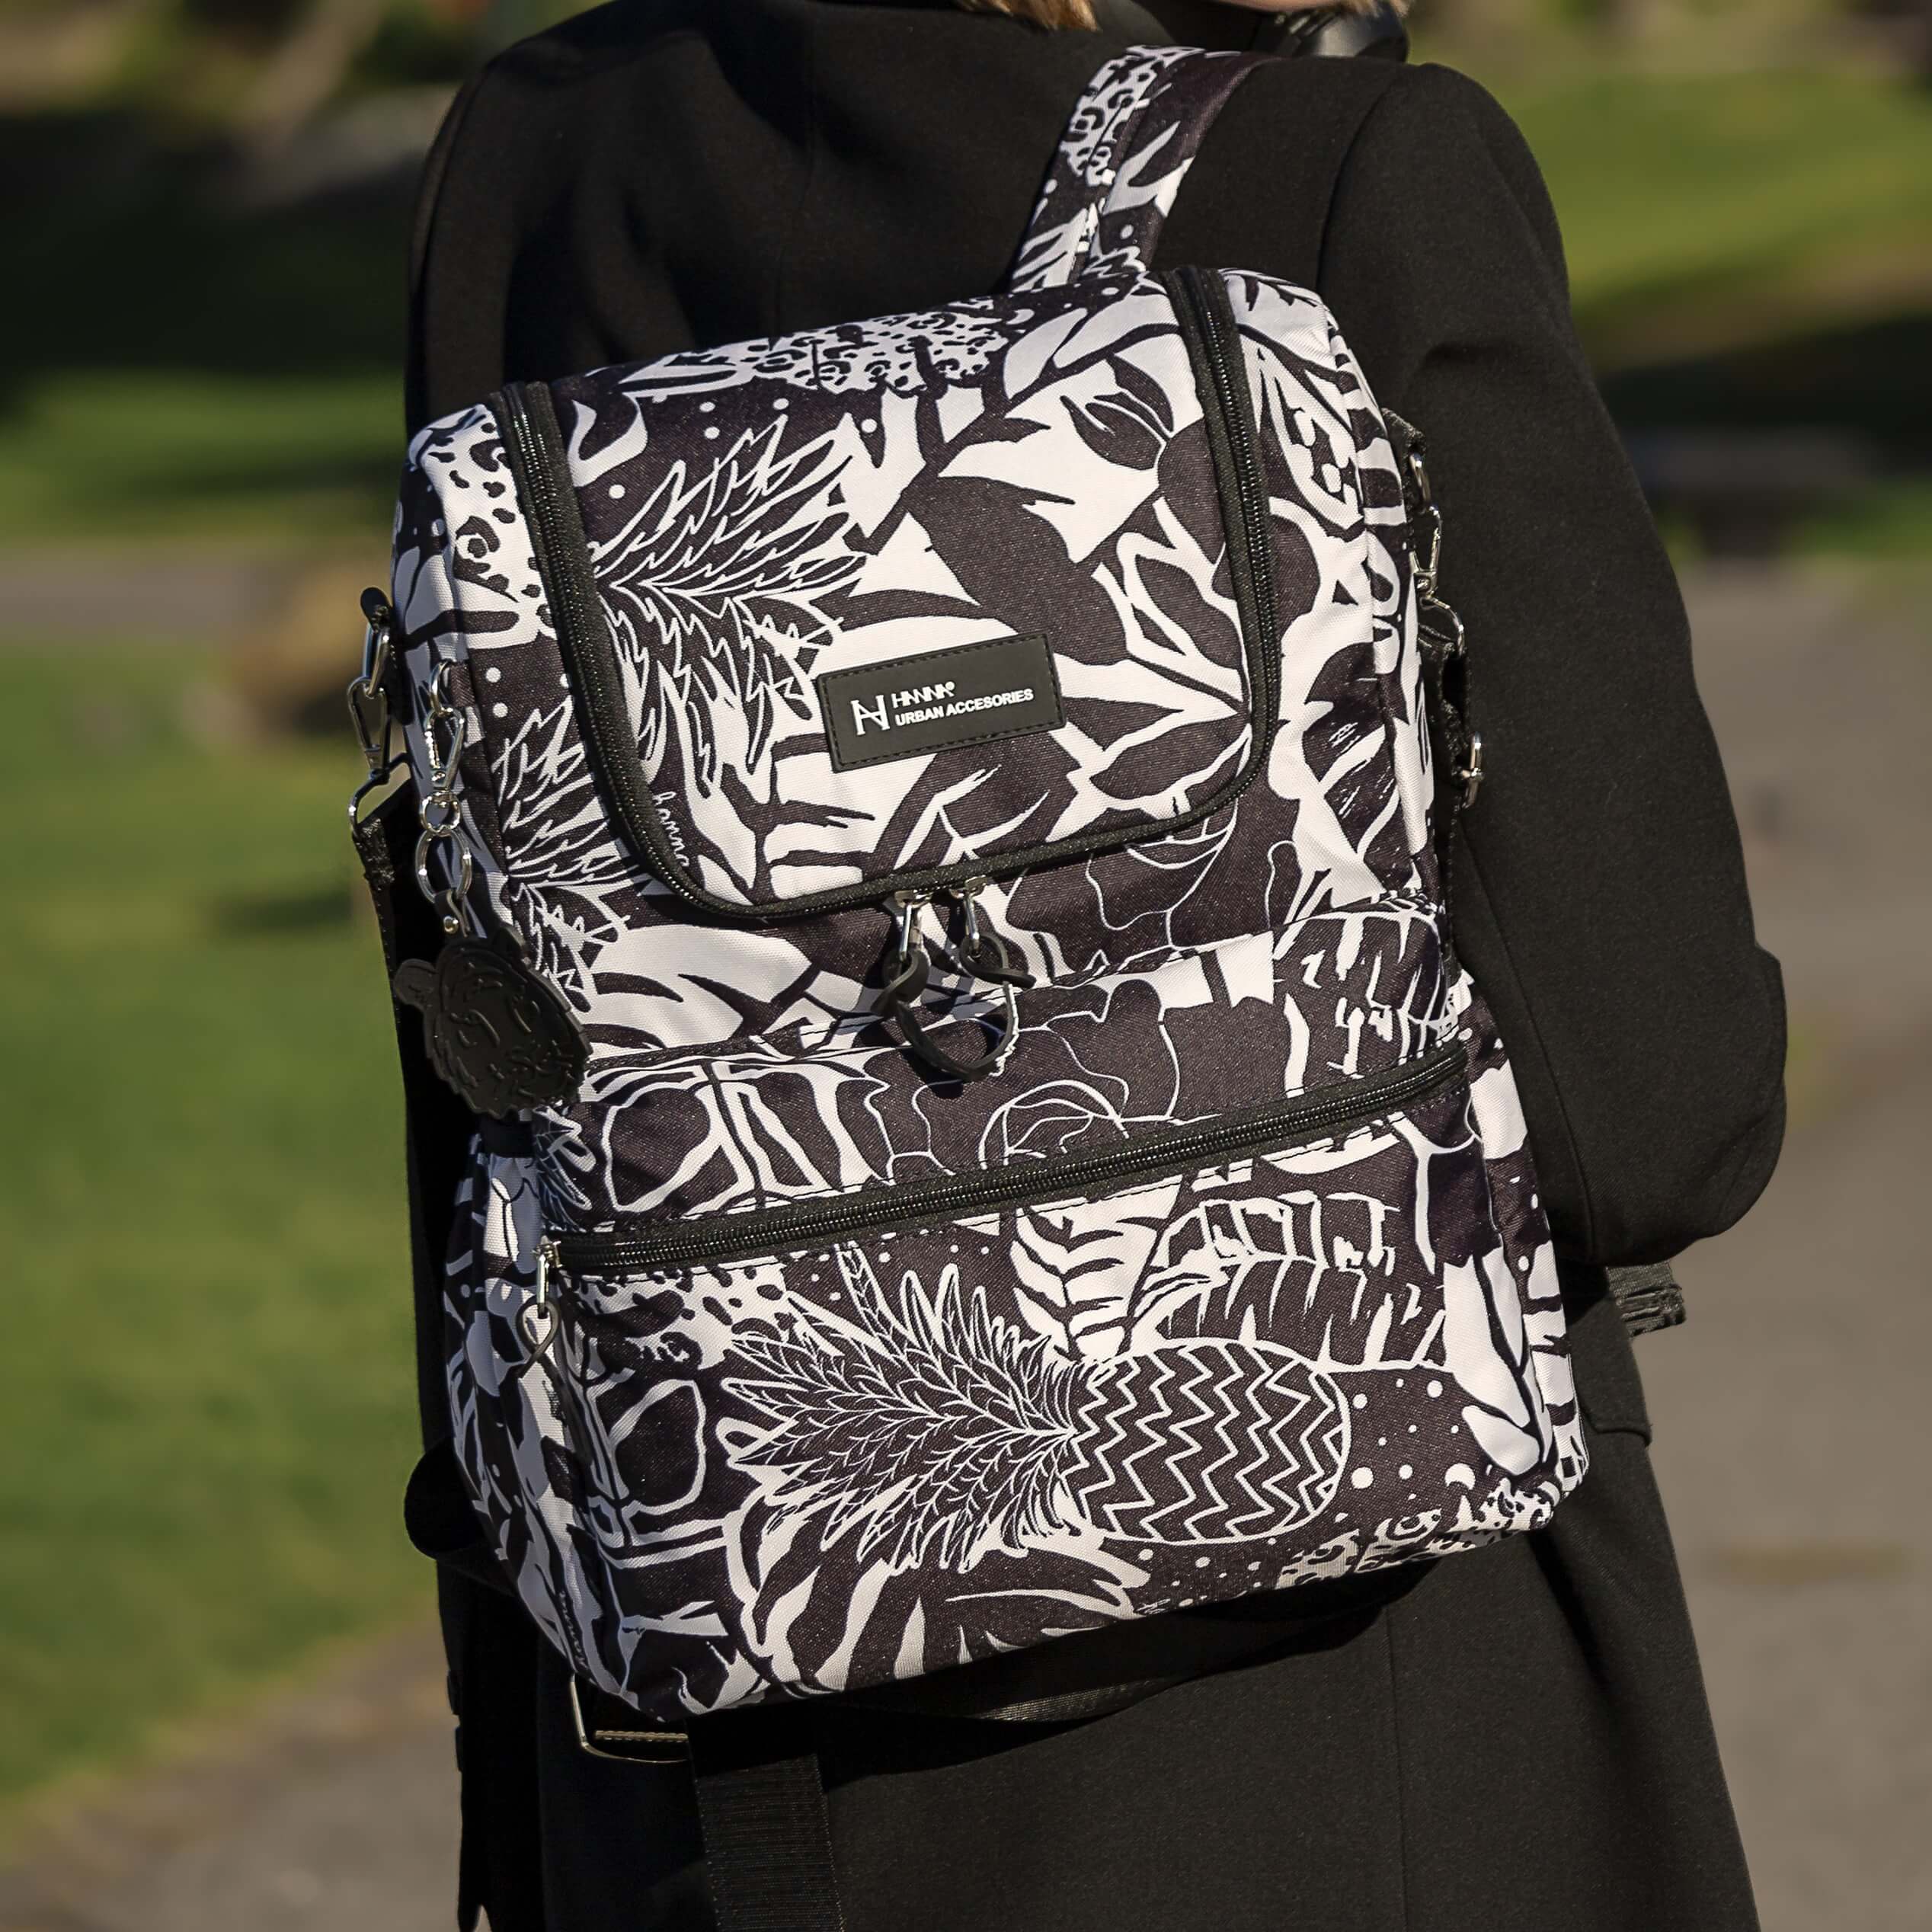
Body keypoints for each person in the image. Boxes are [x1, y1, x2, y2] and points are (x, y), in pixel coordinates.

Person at [399, 2, 1787, 1927]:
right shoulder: (1334, 169)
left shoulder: (536, 147)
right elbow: (1652, 1108)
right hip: (1341, 1676)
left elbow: (497, 1014)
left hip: (699, 1660)